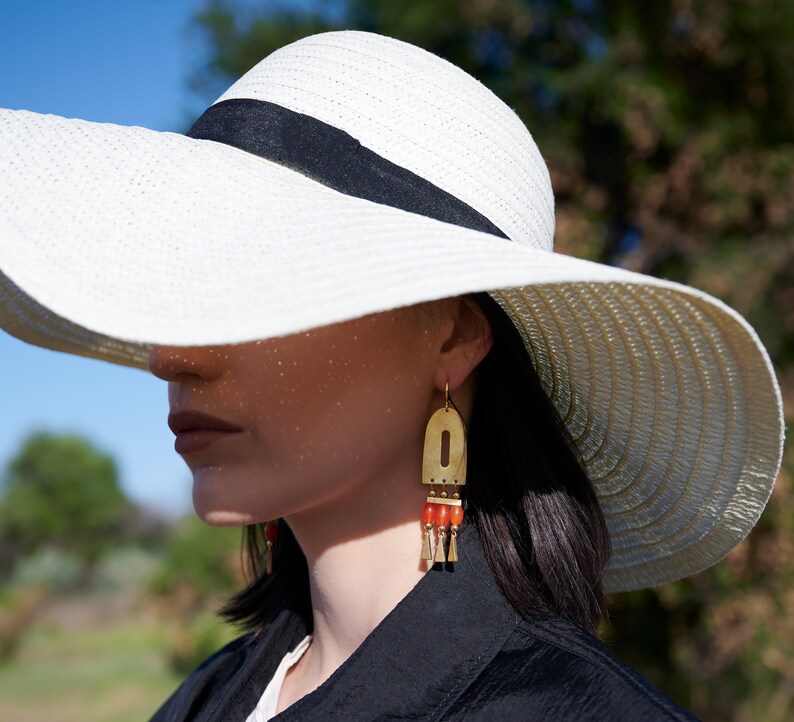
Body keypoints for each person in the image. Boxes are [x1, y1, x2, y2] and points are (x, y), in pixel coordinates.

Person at [0, 30, 784, 722]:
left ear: (452, 337)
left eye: (253, 282)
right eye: (181, 290)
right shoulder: (209, 698)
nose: (172, 357)